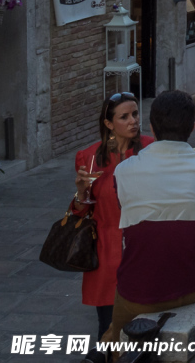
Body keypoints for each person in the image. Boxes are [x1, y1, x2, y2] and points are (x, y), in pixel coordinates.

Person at [103, 91, 195, 345]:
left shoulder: (123, 172)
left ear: (151, 127)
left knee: (115, 338)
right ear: (192, 126)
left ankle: (112, 346)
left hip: (139, 293)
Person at [70, 94, 154, 351]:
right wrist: (81, 192)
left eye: (135, 114)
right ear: (108, 124)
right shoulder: (89, 157)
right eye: (124, 117)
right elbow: (80, 213)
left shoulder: (152, 149)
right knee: (109, 329)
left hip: (144, 249)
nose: (133, 121)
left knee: (148, 328)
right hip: (107, 254)